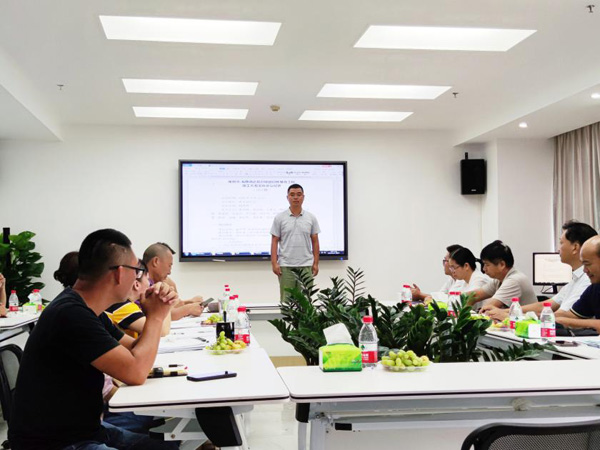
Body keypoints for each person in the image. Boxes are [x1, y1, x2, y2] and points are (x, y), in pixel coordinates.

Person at [9, 229, 178, 450]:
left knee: (167, 448)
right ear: (119, 273)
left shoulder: (89, 310)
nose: (138, 279)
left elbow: (135, 349)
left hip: (83, 431)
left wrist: (156, 311)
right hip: (54, 443)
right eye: (137, 271)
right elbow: (136, 373)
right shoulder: (71, 314)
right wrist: (155, 317)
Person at [483, 221, 597, 321]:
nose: (558, 249)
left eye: (561, 243)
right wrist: (505, 312)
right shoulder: (576, 279)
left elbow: (564, 316)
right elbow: (545, 306)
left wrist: (513, 316)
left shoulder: (588, 279)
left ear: (575, 247)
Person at [270, 183, 321, 301]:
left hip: (306, 266)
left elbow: (315, 241)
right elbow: (274, 241)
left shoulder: (311, 217)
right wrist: (274, 263)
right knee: (287, 302)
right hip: (286, 266)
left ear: (303, 197)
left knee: (305, 303)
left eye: (299, 194)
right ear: (287, 197)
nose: (295, 197)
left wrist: (316, 263)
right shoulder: (279, 218)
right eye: (292, 195)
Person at [465, 240, 537, 309]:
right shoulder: (499, 280)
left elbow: (487, 308)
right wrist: (460, 298)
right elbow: (474, 295)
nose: (484, 269)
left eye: (487, 265)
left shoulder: (514, 280)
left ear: (502, 264)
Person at [143, 242, 204, 321]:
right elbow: (163, 314)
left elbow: (172, 307)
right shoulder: (142, 285)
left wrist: (188, 303)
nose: (169, 272)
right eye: (169, 265)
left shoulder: (155, 282)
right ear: (156, 261)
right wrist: (189, 309)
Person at [555, 235, 600, 331]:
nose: (584, 270)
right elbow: (573, 315)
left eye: (587, 264)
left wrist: (564, 321)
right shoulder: (595, 288)